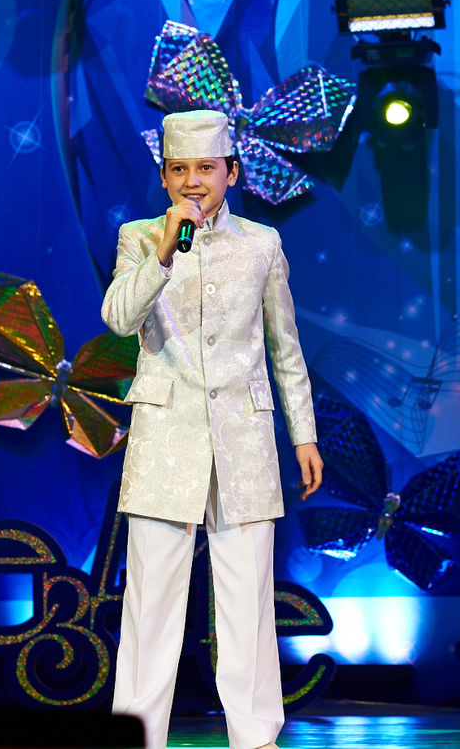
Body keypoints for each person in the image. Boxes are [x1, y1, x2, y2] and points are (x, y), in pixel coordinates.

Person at [102, 109, 324, 749]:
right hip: (165, 437)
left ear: (231, 171)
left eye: (206, 168)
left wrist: (303, 435)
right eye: (179, 169)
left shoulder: (262, 244)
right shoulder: (139, 237)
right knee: (150, 602)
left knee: (247, 600)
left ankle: (255, 737)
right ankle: (139, 735)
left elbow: (285, 347)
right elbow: (118, 318)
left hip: (243, 437)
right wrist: (163, 254)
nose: (192, 181)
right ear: (164, 176)